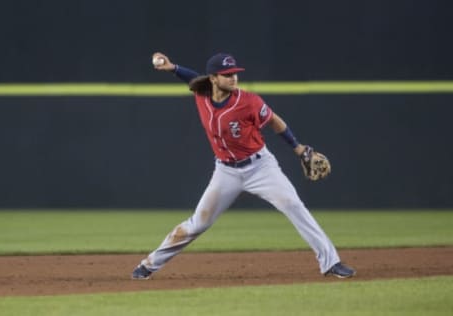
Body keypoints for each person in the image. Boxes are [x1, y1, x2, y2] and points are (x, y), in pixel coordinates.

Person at [132, 52, 356, 279]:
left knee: (293, 205)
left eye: (235, 74)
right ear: (213, 78)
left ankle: (331, 262)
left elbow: (275, 122)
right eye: (227, 75)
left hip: (260, 168)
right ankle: (148, 265)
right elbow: (192, 78)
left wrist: (298, 148)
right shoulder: (202, 93)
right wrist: (172, 67)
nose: (233, 78)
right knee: (198, 223)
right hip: (225, 171)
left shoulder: (249, 101)